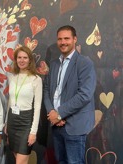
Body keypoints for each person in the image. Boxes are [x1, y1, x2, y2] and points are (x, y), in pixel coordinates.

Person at [43, 25, 96, 164]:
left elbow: (84, 95)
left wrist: (59, 113)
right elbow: (47, 90)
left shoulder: (84, 63)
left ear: (75, 39)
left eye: (66, 38)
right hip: (56, 125)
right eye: (60, 39)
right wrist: (52, 113)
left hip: (74, 125)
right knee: (61, 161)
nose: (63, 42)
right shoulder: (54, 64)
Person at [5, 46, 42, 164]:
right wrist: (6, 123)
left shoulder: (36, 79)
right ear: (16, 60)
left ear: (30, 60)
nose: (22, 60)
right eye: (19, 57)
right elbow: (10, 102)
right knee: (18, 159)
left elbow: (37, 107)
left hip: (26, 122)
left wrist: (33, 132)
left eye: (25, 57)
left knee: (21, 162)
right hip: (12, 121)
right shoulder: (12, 77)